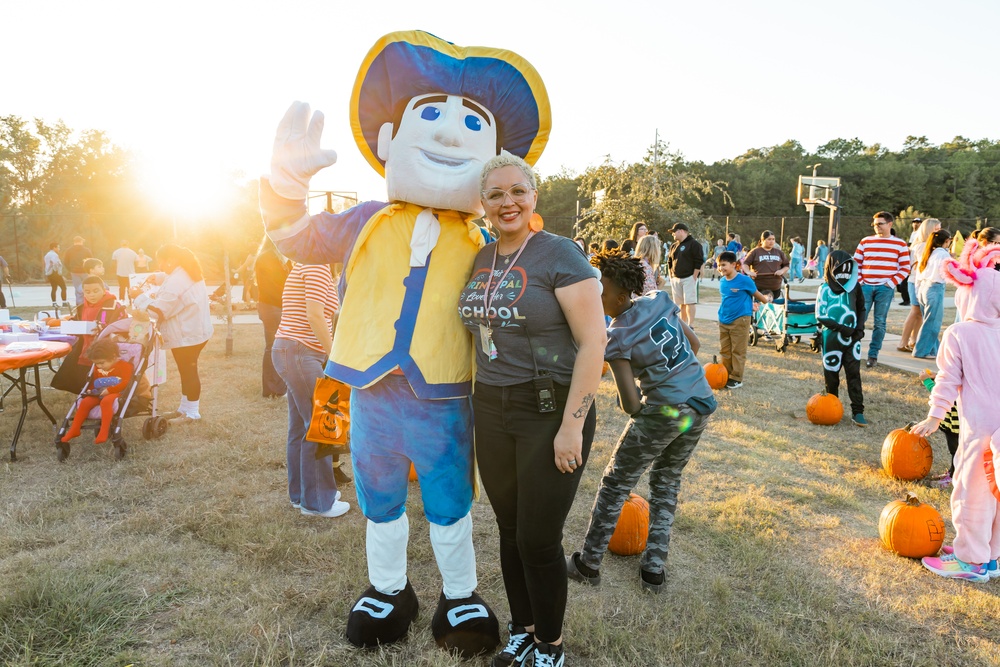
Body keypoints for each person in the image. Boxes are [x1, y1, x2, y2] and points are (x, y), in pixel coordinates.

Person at [259, 31, 551, 656]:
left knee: (450, 498)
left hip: (445, 394)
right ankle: (388, 588)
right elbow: (295, 239)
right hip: (366, 388)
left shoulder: (485, 240)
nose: (448, 136)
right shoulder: (365, 220)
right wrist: (284, 184)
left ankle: (459, 593)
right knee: (379, 494)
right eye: (431, 118)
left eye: (471, 127)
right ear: (390, 140)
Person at [457, 151, 605, 667]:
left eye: (517, 191)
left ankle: (550, 647)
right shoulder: (481, 258)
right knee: (509, 528)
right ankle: (523, 630)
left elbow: (594, 343)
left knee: (539, 538)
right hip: (491, 408)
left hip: (549, 410)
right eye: (495, 194)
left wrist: (572, 425)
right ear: (484, 204)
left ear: (534, 196)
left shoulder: (558, 253)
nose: (507, 202)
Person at [567, 249, 715, 596]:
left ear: (619, 296)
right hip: (701, 402)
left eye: (598, 290)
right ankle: (653, 570)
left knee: (616, 482)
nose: (592, 295)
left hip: (667, 411)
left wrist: (644, 395)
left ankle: (588, 564)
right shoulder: (658, 301)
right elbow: (693, 344)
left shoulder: (617, 336)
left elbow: (632, 405)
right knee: (666, 481)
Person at [913, 241, 1000, 581]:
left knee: (972, 493)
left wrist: (935, 417)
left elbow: (947, 380)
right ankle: (990, 555)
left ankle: (971, 560)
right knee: (996, 493)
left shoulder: (959, 333)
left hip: (978, 429)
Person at [272, 262, 350, 518]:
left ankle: (302, 494)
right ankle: (317, 502)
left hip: (294, 351)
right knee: (321, 427)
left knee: (300, 428)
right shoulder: (316, 265)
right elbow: (315, 315)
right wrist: (335, 355)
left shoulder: (308, 264)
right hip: (301, 352)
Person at [131, 245, 213, 421]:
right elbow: (173, 282)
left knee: (188, 371)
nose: (160, 264)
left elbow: (158, 311)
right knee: (186, 371)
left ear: (171, 260)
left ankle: (192, 413)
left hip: (187, 334)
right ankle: (184, 409)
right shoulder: (187, 271)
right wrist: (159, 277)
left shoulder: (177, 281)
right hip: (195, 330)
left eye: (161, 261)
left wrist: (138, 296)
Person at [50, 275, 127, 394]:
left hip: (106, 348)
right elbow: (77, 321)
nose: (92, 295)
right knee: (78, 375)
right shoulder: (81, 308)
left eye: (96, 291)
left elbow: (122, 325)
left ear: (104, 290)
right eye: (87, 292)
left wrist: (103, 327)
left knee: (102, 375)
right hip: (85, 347)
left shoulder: (114, 306)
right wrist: (71, 325)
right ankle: (86, 394)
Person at [816, 250, 867, 426]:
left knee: (854, 374)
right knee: (831, 374)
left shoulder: (855, 287)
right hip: (831, 339)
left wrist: (859, 329)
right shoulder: (824, 289)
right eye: (839, 267)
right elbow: (820, 315)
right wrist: (843, 328)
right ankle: (831, 407)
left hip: (853, 340)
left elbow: (861, 308)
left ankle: (858, 411)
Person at [854, 211, 910, 368]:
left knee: (879, 322)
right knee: (860, 319)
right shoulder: (866, 241)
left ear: (890, 224)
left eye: (880, 224)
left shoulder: (900, 244)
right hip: (865, 287)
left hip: (884, 289)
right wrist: (861, 281)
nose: (876, 227)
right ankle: (853, 350)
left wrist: (890, 283)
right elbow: (856, 263)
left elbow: (905, 268)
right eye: (874, 224)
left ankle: (873, 355)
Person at [59, 337, 133, 445]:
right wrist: (91, 391)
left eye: (102, 363)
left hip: (118, 392)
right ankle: (75, 429)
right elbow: (97, 381)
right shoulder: (98, 367)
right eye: (96, 364)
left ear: (113, 357)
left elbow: (126, 383)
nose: (99, 366)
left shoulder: (125, 366)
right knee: (85, 402)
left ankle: (104, 431)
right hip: (100, 392)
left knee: (106, 401)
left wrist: (110, 390)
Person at [716, 251, 770, 389]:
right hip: (724, 320)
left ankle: (736, 378)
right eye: (718, 265)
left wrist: (765, 300)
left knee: (738, 350)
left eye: (723, 265)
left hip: (740, 320)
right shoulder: (722, 281)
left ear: (734, 264)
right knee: (725, 350)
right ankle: (725, 374)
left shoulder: (744, 280)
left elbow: (757, 294)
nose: (720, 268)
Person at [253, 236, 290, 399]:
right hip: (273, 306)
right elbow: (278, 285)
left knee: (274, 346)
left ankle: (273, 388)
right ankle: (274, 388)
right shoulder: (268, 257)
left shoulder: (273, 256)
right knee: (275, 347)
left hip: (272, 306)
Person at [899, 218, 941, 351]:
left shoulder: (926, 245)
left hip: (920, 282)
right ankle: (903, 341)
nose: (939, 232)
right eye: (937, 229)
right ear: (929, 230)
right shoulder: (922, 246)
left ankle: (913, 340)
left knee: (920, 314)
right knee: (915, 311)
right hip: (916, 282)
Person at [912, 229, 953, 359]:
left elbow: (919, 274)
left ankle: (934, 350)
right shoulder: (943, 254)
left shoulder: (929, 253)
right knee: (933, 323)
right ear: (947, 241)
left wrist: (918, 292)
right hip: (935, 288)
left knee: (928, 321)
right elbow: (948, 273)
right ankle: (921, 351)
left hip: (924, 288)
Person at [666, 223, 704, 326]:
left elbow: (698, 261)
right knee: (681, 303)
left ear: (681, 231)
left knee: (689, 302)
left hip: (688, 277)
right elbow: (669, 261)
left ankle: (690, 325)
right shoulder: (674, 246)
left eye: (674, 232)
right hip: (676, 278)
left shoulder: (694, 244)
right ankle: (683, 324)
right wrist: (671, 276)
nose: (673, 234)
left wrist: (694, 277)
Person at [742, 230, 789, 300]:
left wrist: (781, 271)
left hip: (775, 286)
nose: (771, 241)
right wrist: (749, 272)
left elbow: (786, 265)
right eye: (769, 239)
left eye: (773, 239)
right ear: (762, 240)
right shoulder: (755, 252)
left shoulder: (779, 252)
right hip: (759, 286)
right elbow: (745, 264)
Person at [63, 235, 92, 307]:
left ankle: (79, 304)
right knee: (87, 287)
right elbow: (91, 260)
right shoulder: (86, 250)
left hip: (74, 272)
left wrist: (70, 269)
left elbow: (65, 261)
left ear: (74, 242)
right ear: (81, 241)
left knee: (77, 289)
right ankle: (88, 302)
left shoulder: (69, 250)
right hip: (85, 271)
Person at [44, 243, 69, 308]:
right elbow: (55, 263)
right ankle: (64, 302)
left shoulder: (47, 255)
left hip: (49, 273)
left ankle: (54, 303)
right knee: (63, 287)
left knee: (54, 288)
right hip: (55, 273)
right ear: (54, 248)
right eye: (58, 247)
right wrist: (58, 272)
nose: (59, 249)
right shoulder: (54, 255)